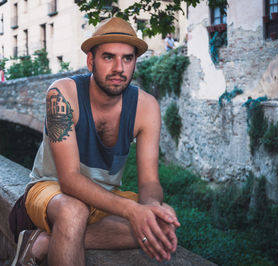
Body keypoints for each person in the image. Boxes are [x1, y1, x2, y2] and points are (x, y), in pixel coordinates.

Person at [11, 17, 180, 266]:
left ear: (135, 62)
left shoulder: (147, 107)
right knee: (73, 211)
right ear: (91, 61)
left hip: (104, 198)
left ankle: (43, 241)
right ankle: (58, 232)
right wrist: (132, 211)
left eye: (127, 58)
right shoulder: (62, 94)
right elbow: (69, 180)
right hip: (51, 191)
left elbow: (149, 182)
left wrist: (151, 207)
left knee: (162, 225)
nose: (119, 68)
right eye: (108, 57)